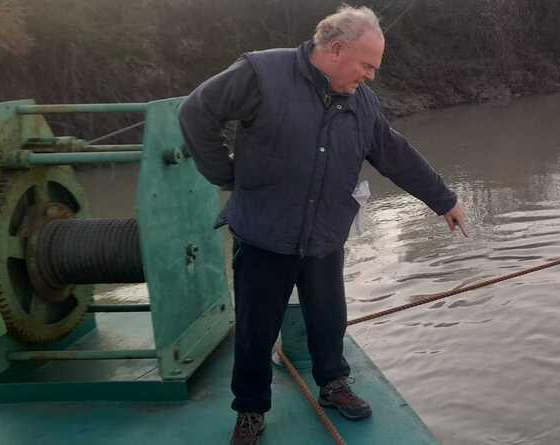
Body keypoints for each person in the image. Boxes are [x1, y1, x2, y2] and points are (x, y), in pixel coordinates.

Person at [178, 5, 468, 444]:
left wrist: (443, 200)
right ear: (335, 50)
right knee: (256, 329)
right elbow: (197, 112)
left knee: (329, 317)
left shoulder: (362, 102)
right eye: (366, 65)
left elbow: (394, 153)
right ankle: (251, 410)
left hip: (324, 232)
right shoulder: (261, 73)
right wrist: (227, 174)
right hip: (265, 231)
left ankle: (333, 384)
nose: (371, 76)